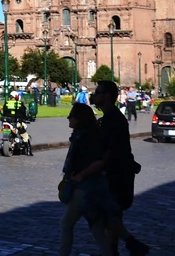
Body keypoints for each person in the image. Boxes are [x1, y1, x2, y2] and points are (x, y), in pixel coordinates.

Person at [80, 81, 150, 256]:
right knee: (113, 214)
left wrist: (89, 171)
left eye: (98, 92)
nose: (94, 95)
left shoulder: (112, 119)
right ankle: (114, 250)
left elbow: (109, 151)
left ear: (107, 96)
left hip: (114, 173)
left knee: (103, 213)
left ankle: (130, 242)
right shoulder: (111, 117)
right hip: (118, 171)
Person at [60, 102, 113, 256]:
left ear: (80, 119)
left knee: (66, 224)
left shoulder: (85, 138)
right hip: (91, 185)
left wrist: (79, 175)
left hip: (84, 187)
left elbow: (99, 161)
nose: (68, 118)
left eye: (72, 115)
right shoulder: (83, 135)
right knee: (96, 226)